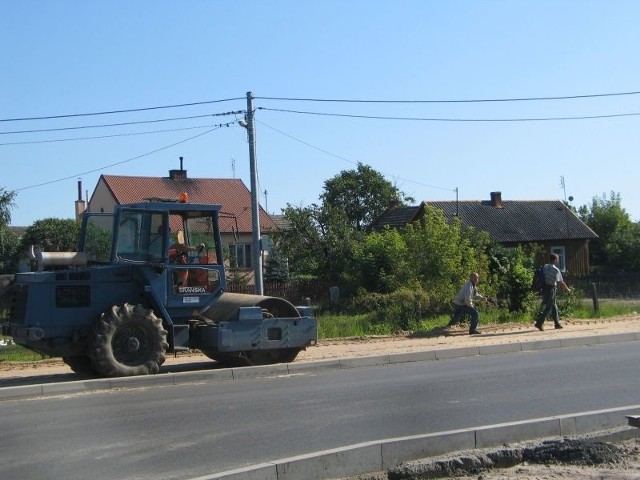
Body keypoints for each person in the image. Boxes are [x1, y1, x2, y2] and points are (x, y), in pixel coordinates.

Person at [535, 254, 571, 331]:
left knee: (553, 305)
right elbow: (561, 282)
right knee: (549, 307)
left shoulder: (545, 266)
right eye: (557, 259)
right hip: (551, 288)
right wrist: (567, 289)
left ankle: (557, 324)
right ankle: (539, 323)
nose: (557, 261)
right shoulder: (555, 269)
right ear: (554, 260)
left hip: (544, 288)